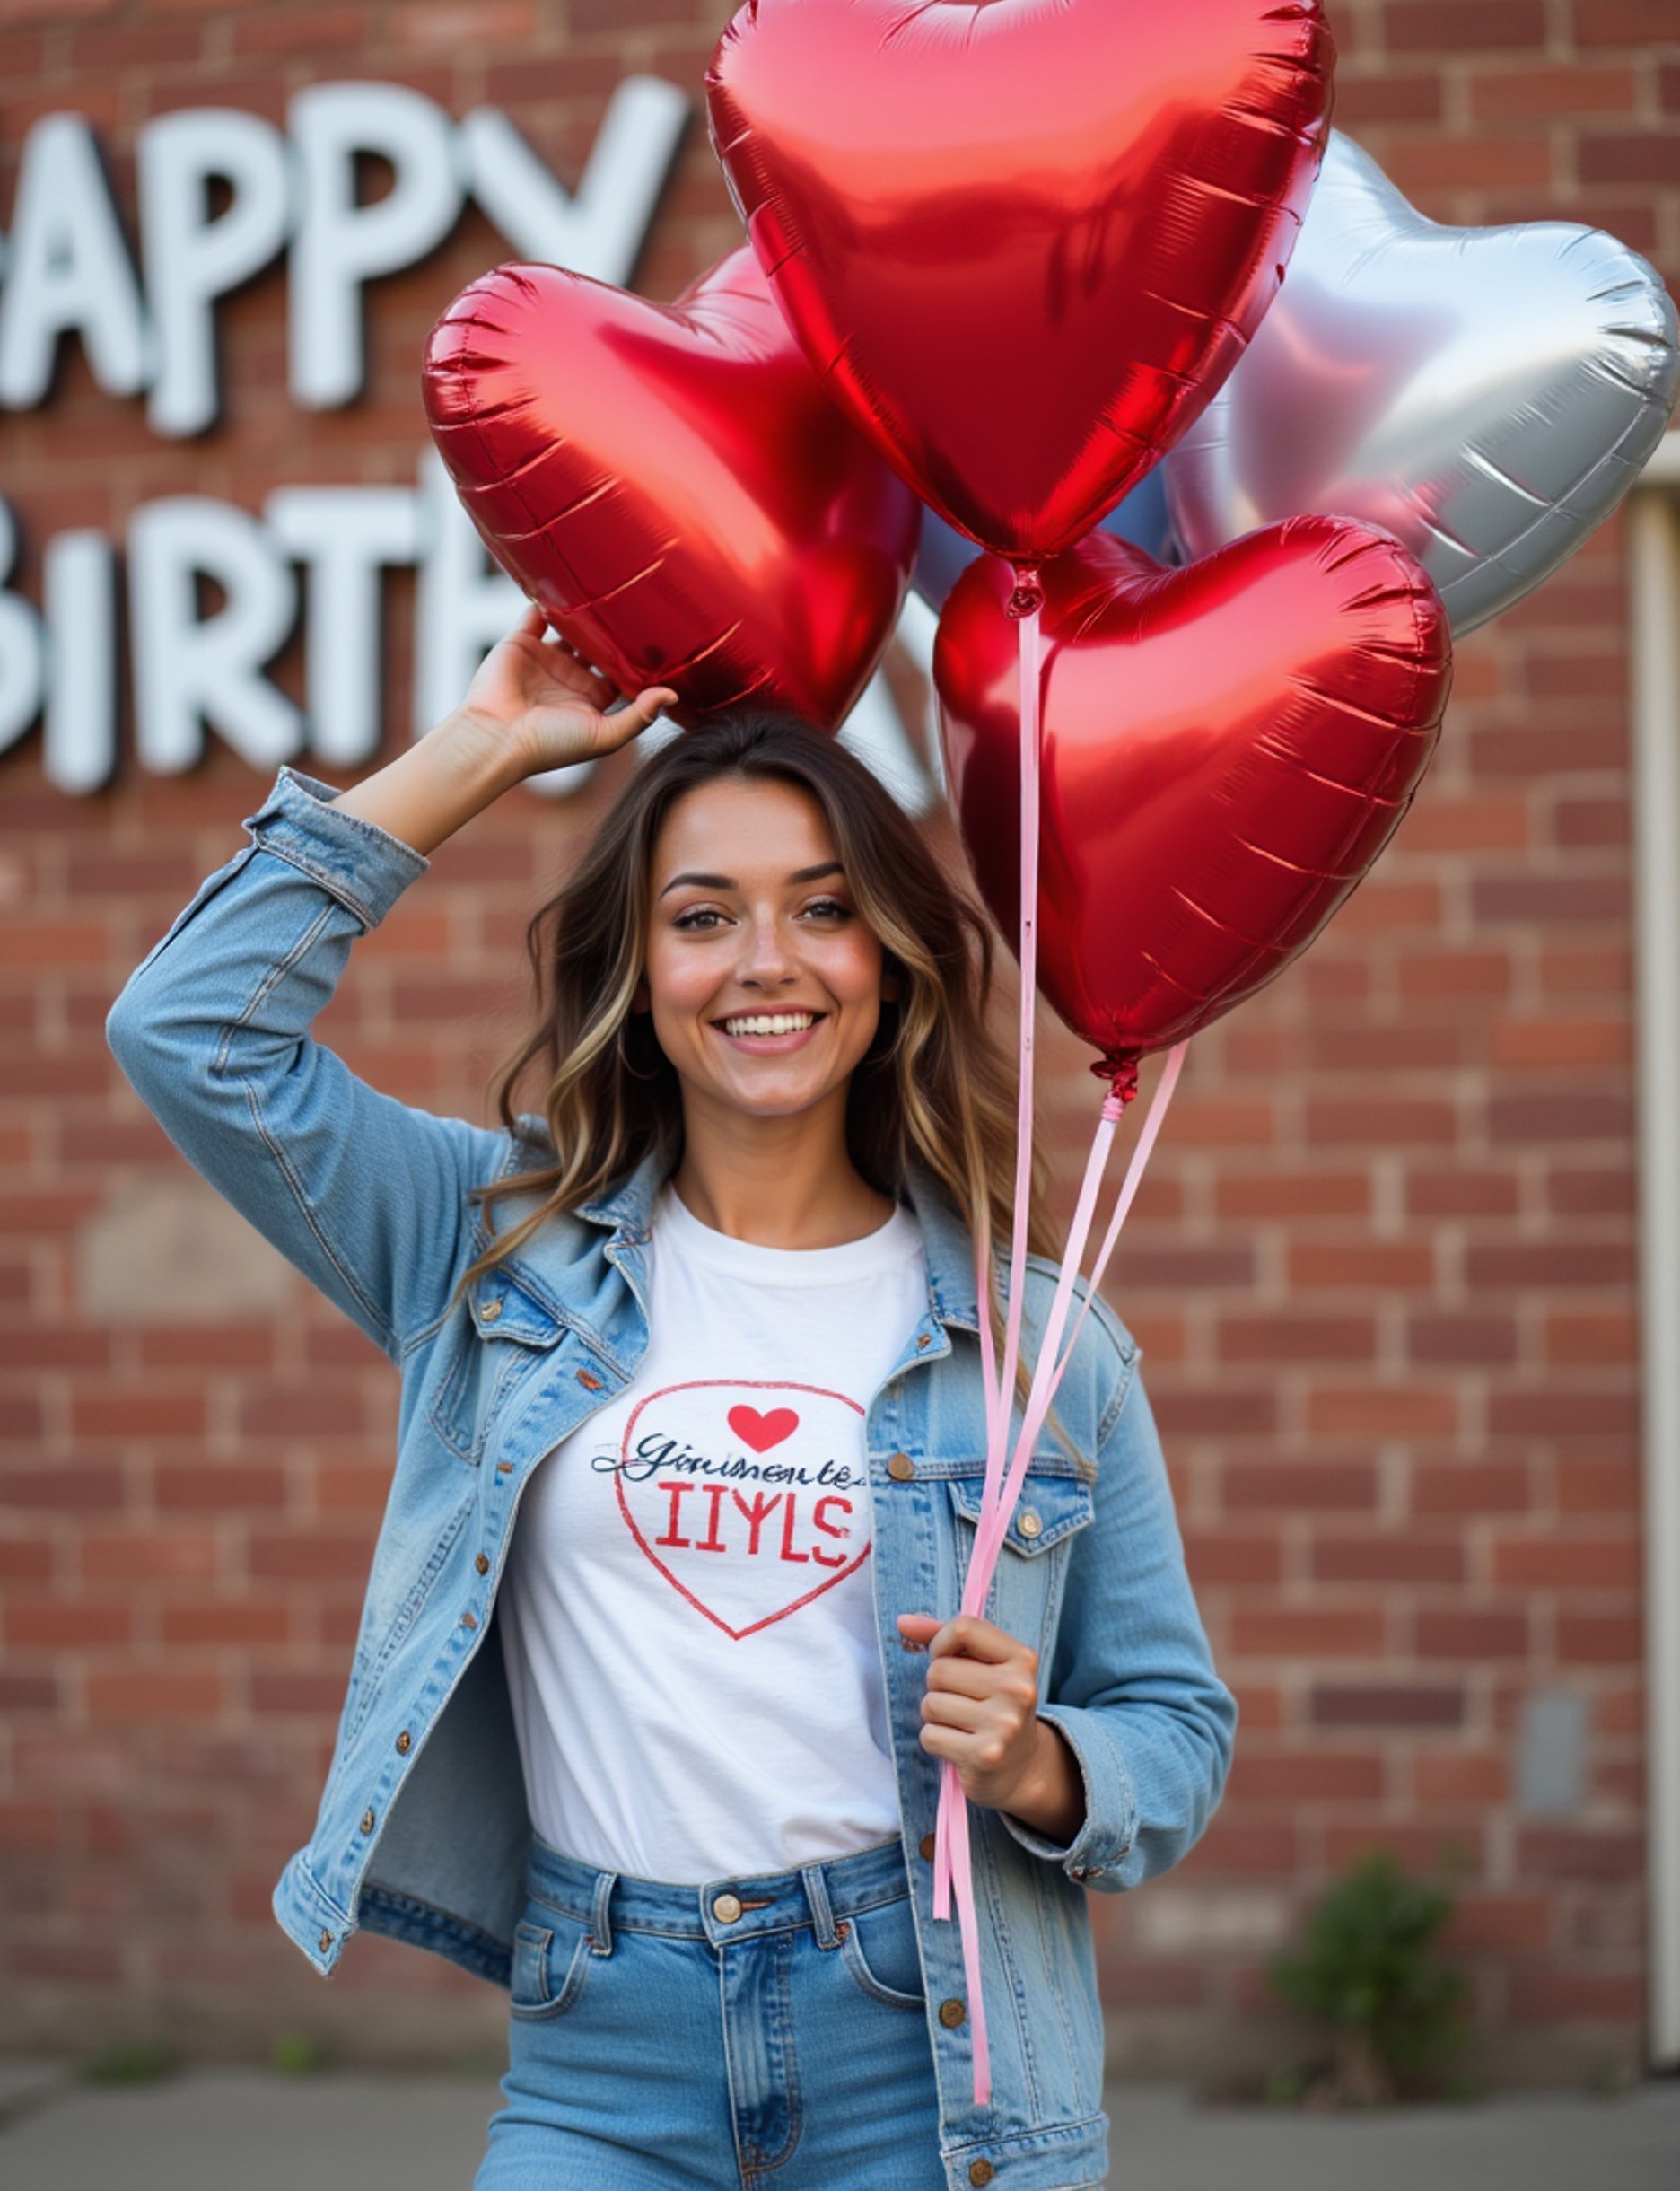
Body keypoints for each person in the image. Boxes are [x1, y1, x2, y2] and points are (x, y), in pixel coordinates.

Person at [106, 605, 1235, 2191]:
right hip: (598, 2052)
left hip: (922, 2051)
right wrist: (481, 747)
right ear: (636, 970)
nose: (765, 963)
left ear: (890, 960)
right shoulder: (491, 1246)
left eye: (822, 910)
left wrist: (1046, 1763)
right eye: (702, 918)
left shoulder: (1036, 1345)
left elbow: (1175, 1726)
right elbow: (189, 1030)